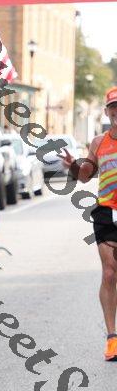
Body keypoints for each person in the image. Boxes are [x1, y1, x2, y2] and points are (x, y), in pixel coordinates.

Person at [63, 87, 117, 361]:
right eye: (113, 107)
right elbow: (86, 176)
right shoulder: (98, 142)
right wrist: (75, 166)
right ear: (107, 112)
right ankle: (112, 338)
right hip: (107, 212)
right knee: (109, 273)